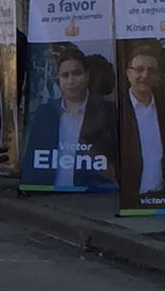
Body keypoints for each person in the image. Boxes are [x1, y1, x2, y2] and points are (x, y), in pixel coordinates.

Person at [20, 44, 117, 189]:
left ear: (87, 75)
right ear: (58, 79)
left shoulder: (108, 112)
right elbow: (32, 159)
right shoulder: (45, 113)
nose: (71, 81)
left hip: (92, 194)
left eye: (77, 73)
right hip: (50, 193)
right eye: (65, 75)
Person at [119, 43, 165, 208]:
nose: (145, 75)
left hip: (162, 198)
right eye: (139, 69)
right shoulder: (117, 109)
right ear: (128, 74)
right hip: (127, 200)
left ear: (158, 76)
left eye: (151, 71)